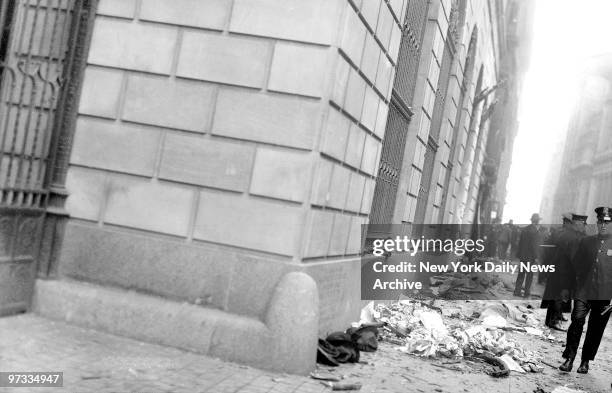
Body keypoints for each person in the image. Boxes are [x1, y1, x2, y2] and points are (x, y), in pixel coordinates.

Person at [559, 207, 612, 374]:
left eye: (607, 222)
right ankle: (569, 358)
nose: (603, 225)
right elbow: (574, 267)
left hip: (603, 294)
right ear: (596, 223)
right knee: (576, 322)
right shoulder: (586, 242)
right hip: (583, 290)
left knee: (596, 329)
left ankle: (585, 361)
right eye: (601, 221)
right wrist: (567, 287)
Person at [540, 213, 586, 330]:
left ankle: (550, 320)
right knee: (559, 295)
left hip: (558, 268)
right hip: (564, 270)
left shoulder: (565, 234)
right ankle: (553, 321)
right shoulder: (574, 237)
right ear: (577, 224)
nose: (584, 227)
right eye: (583, 224)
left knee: (555, 294)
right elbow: (573, 257)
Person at [513, 213, 543, 297]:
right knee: (529, 276)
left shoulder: (525, 229)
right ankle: (526, 293)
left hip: (523, 257)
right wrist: (536, 257)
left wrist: (519, 255)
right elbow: (534, 246)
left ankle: (517, 291)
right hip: (530, 258)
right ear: (537, 222)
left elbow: (520, 243)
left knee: (521, 274)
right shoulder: (535, 231)